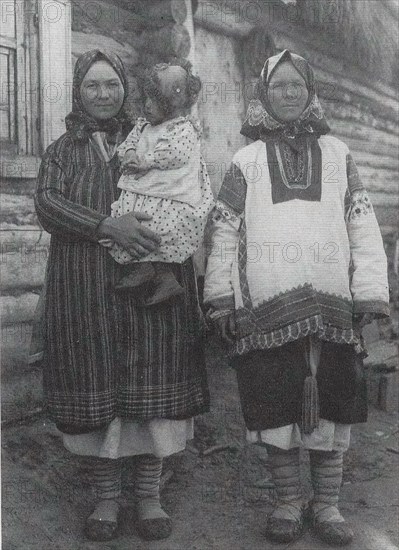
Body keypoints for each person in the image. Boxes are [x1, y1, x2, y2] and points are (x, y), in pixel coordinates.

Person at [204, 49, 389, 546]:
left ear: (310, 93)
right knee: (275, 406)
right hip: (265, 308)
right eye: (278, 86)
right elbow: (223, 231)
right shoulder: (245, 161)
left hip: (333, 307)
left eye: (297, 86)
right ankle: (287, 503)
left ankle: (327, 506)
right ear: (263, 93)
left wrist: (370, 289)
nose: (289, 93)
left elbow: (361, 221)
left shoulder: (338, 154)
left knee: (333, 405)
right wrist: (220, 295)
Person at [34, 49, 210, 543]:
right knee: (95, 391)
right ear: (77, 91)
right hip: (84, 284)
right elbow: (47, 203)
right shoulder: (61, 151)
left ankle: (150, 497)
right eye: (93, 85)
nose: (104, 94)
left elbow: (192, 188)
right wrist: (104, 224)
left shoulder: (158, 136)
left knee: (150, 390)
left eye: (112, 84)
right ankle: (107, 500)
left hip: (151, 283)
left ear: (126, 90)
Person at [101, 61, 214, 304]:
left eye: (156, 101)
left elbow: (176, 153)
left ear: (172, 104)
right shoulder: (143, 126)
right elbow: (128, 144)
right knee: (135, 219)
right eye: (146, 100)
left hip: (170, 191)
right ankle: (146, 270)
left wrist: (147, 161)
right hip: (146, 189)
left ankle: (164, 277)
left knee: (162, 225)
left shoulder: (182, 128)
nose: (147, 106)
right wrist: (130, 154)